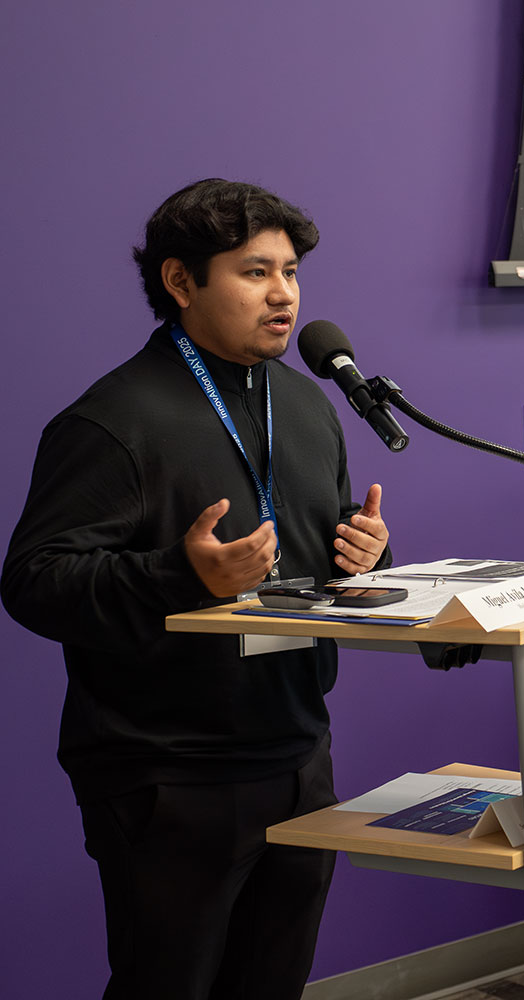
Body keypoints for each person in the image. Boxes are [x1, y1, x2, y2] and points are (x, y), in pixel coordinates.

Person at [1, 179, 392, 1000]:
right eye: (255, 272)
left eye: (289, 271)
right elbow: (35, 582)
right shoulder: (112, 420)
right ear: (182, 282)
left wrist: (369, 556)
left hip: (297, 750)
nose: (283, 293)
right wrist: (181, 576)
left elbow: (318, 558)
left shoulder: (307, 404)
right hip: (168, 774)